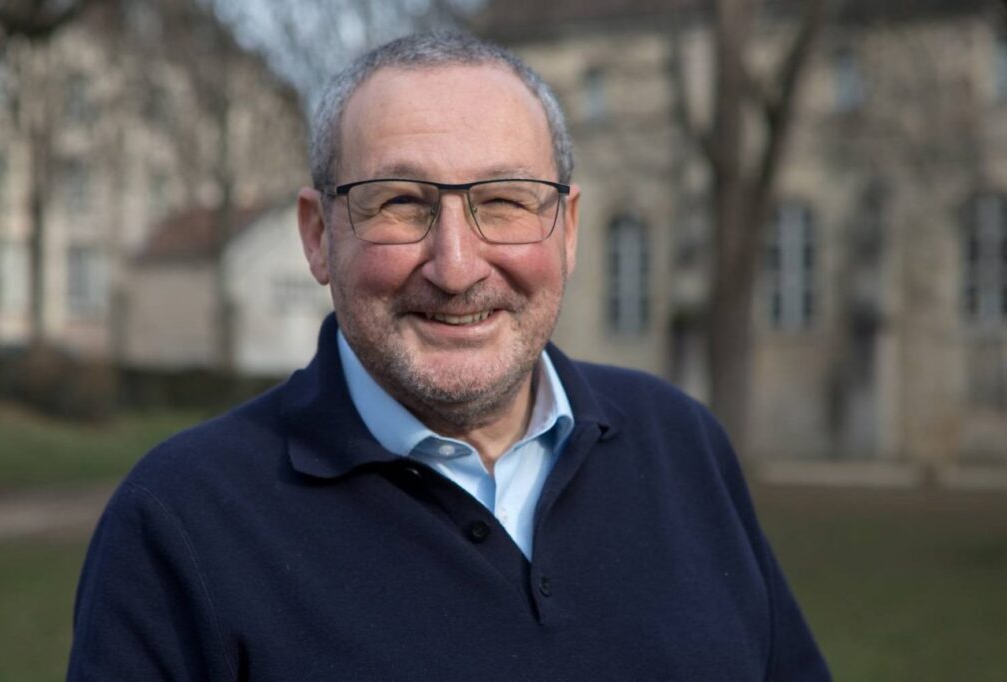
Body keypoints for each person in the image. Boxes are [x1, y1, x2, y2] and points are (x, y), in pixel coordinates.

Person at [68, 31, 830, 680]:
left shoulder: (682, 445)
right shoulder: (180, 520)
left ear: (565, 232)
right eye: (400, 202)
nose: (457, 265)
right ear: (316, 236)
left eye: (504, 200)